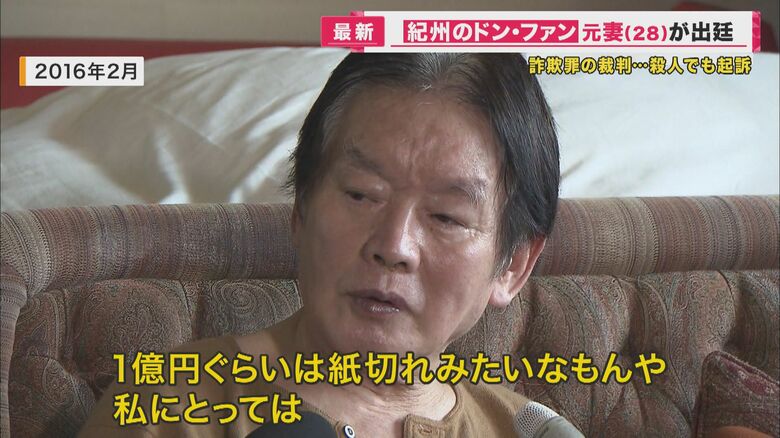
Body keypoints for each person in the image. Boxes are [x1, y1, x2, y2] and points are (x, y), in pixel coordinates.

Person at [80, 52, 561, 438]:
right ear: (302, 209)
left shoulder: (527, 429)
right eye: (361, 194)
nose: (393, 246)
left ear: (513, 266)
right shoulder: (169, 405)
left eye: (446, 217)